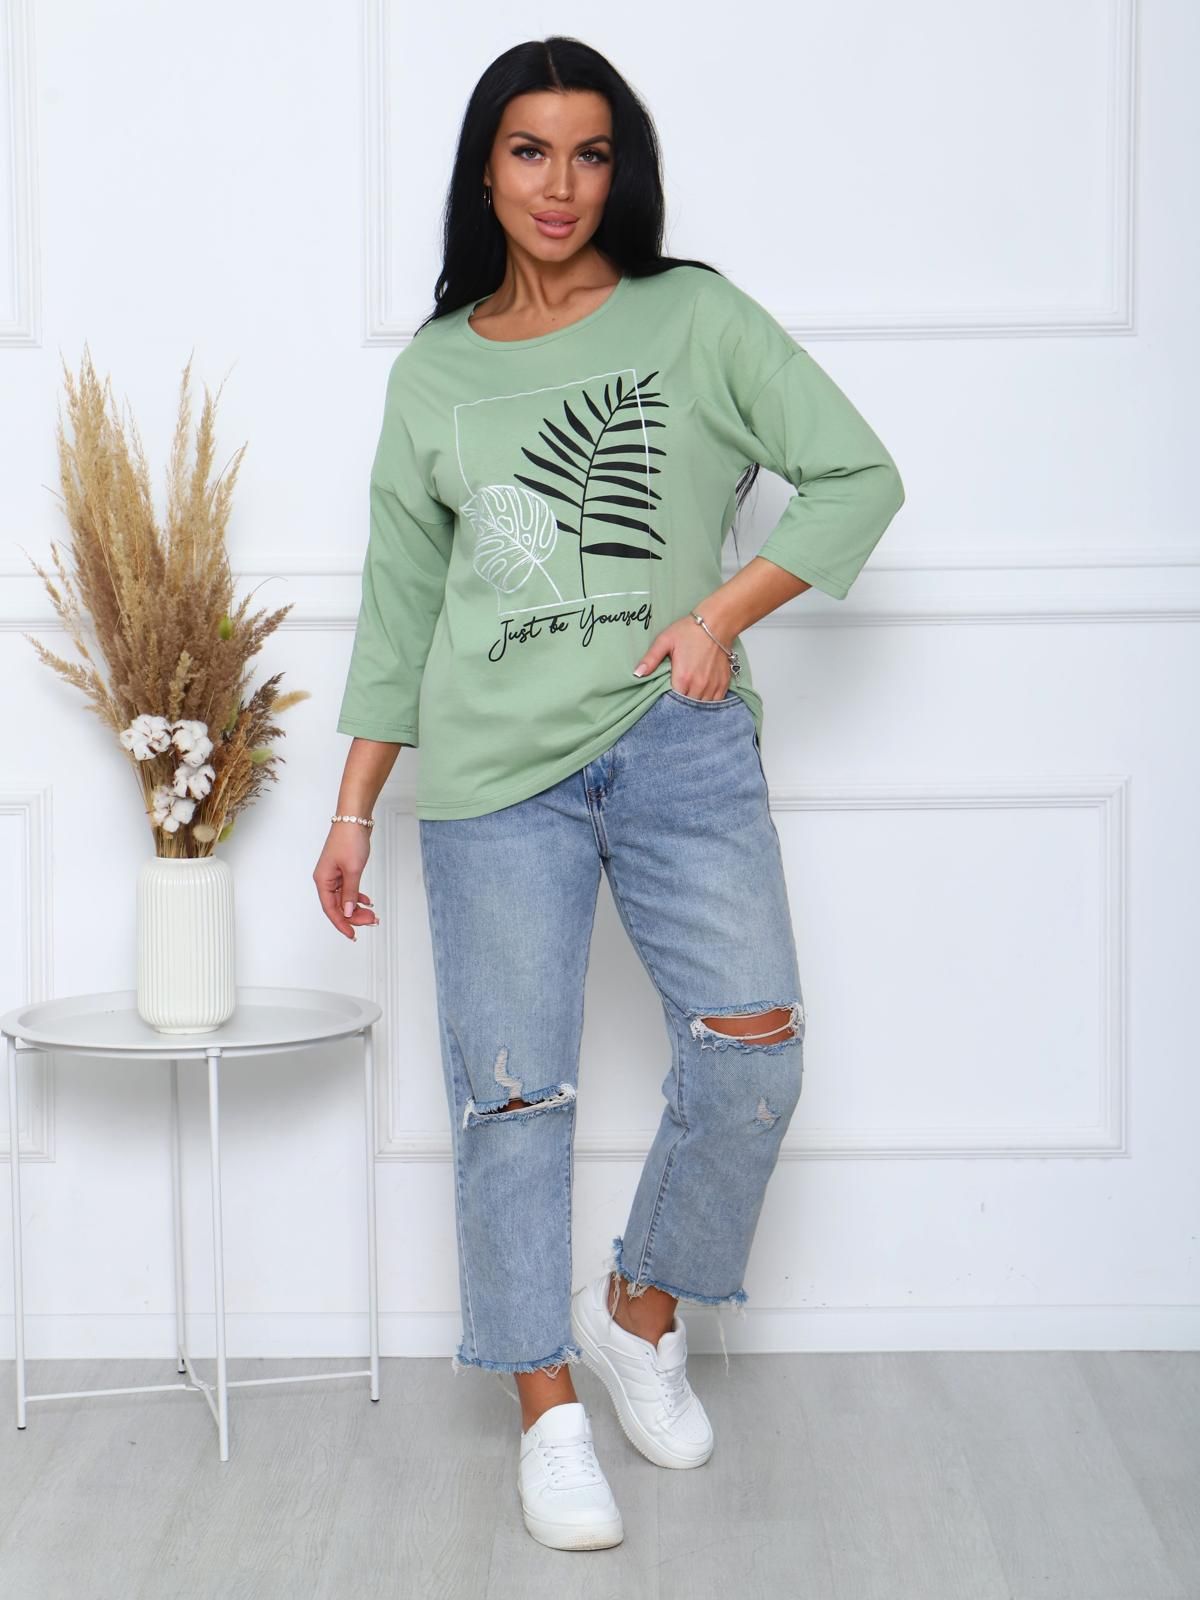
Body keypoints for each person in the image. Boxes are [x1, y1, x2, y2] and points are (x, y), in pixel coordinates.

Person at [313, 35, 904, 1553]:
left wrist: (719, 616)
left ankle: (637, 1310)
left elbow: (857, 476)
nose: (560, 183)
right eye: (530, 150)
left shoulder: (693, 315)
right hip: (491, 778)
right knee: (513, 1101)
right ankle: (546, 1412)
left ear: (619, 167)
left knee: (755, 1058)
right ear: (485, 170)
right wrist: (354, 803)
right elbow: (400, 603)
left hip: (677, 742)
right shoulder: (436, 372)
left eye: (589, 152)